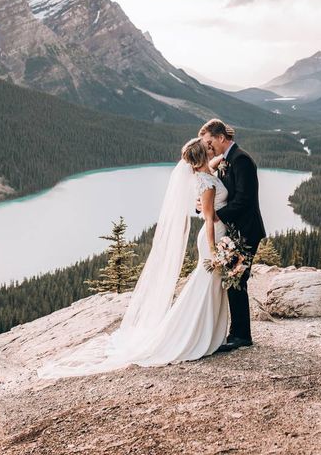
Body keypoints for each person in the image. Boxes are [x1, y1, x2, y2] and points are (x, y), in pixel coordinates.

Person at [37, 138, 229, 378]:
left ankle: (204, 333)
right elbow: (210, 218)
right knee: (206, 284)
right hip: (213, 237)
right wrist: (214, 250)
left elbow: (210, 168)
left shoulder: (202, 175)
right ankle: (194, 335)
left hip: (217, 236)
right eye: (208, 147)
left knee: (208, 285)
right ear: (202, 157)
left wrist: (223, 158)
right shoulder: (207, 183)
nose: (212, 148)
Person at [199, 119, 266, 351]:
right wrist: (205, 205)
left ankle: (242, 336)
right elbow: (221, 191)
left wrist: (217, 216)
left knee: (238, 279)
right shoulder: (227, 159)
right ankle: (237, 333)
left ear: (221, 138)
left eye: (210, 142)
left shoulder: (241, 159)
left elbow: (244, 200)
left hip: (247, 230)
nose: (209, 147)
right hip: (234, 230)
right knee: (233, 280)